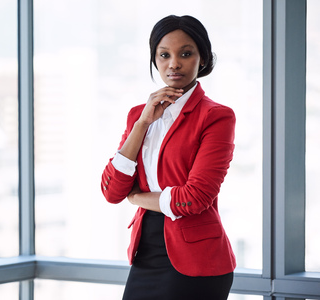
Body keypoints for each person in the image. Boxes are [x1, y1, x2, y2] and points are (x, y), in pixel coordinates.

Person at [101, 15, 236, 299]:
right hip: (146, 252)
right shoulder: (139, 115)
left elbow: (195, 198)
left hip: (198, 261)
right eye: (164, 55)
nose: (174, 63)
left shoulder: (216, 117)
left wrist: (137, 198)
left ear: (202, 59)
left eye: (185, 54)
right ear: (155, 60)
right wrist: (141, 125)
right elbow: (112, 191)